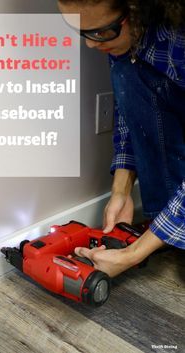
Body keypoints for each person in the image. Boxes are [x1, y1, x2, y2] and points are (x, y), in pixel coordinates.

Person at [57, 0, 185, 277]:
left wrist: (134, 253)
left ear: (136, 9)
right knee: (128, 70)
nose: (91, 45)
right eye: (82, 32)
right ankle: (168, 227)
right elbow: (131, 111)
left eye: (101, 32)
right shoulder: (126, 35)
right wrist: (121, 191)